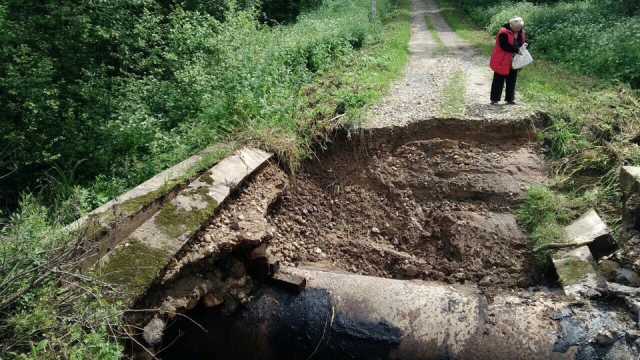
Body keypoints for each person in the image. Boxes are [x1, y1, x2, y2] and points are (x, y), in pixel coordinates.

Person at [489, 17, 528, 105]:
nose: (518, 30)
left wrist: (525, 45)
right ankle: (494, 99)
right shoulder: (503, 32)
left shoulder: (520, 32)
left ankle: (510, 99)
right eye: (516, 28)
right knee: (498, 80)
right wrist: (516, 50)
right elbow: (504, 45)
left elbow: (522, 41)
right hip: (502, 60)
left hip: (514, 60)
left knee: (512, 79)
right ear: (511, 25)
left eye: (520, 28)